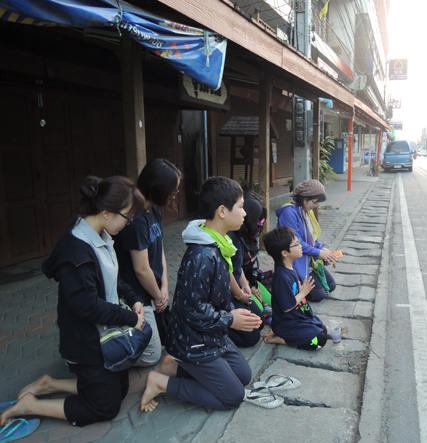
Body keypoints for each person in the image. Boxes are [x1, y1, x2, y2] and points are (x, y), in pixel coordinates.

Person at [0, 176, 146, 428]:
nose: (128, 223)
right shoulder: (75, 249)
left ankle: (50, 384)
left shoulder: (99, 233)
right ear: (107, 212)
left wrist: (133, 299)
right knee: (106, 407)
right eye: (127, 217)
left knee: (120, 391)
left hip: (104, 331)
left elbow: (112, 278)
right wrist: (131, 319)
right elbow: (87, 306)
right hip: (85, 341)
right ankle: (30, 405)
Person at [140, 177, 264, 412]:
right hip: (194, 341)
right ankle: (162, 383)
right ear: (222, 211)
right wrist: (231, 319)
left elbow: (213, 299)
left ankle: (174, 367)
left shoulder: (220, 243)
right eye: (240, 207)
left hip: (211, 334)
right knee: (233, 397)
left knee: (244, 376)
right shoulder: (202, 255)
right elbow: (192, 310)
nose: (245, 214)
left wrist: (233, 312)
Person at [114, 158, 182, 366]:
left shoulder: (154, 211)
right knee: (152, 355)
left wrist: (164, 287)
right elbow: (141, 269)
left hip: (153, 290)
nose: (173, 197)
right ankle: (107, 352)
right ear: (158, 188)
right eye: (172, 192)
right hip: (137, 294)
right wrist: (157, 296)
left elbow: (159, 248)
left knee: (172, 339)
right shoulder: (135, 219)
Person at [261, 226, 327, 350]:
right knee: (319, 341)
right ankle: (283, 339)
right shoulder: (281, 277)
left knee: (323, 329)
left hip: (297, 317)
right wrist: (303, 292)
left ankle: (284, 335)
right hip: (287, 323)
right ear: (285, 253)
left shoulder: (291, 268)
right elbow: (287, 307)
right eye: (297, 244)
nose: (301, 246)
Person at [276, 179, 337, 301]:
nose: (315, 206)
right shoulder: (289, 213)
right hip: (295, 262)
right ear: (305, 198)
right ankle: (296, 281)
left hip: (307, 260)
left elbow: (311, 237)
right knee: (319, 295)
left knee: (331, 286)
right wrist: (319, 253)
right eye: (314, 202)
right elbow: (296, 243)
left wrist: (321, 248)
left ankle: (308, 278)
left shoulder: (305, 210)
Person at [227, 191, 271, 347]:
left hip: (240, 287)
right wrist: (241, 295)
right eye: (240, 208)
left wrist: (246, 286)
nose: (243, 213)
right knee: (252, 337)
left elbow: (237, 268)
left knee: (259, 322)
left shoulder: (239, 235)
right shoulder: (229, 236)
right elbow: (228, 272)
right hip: (227, 294)